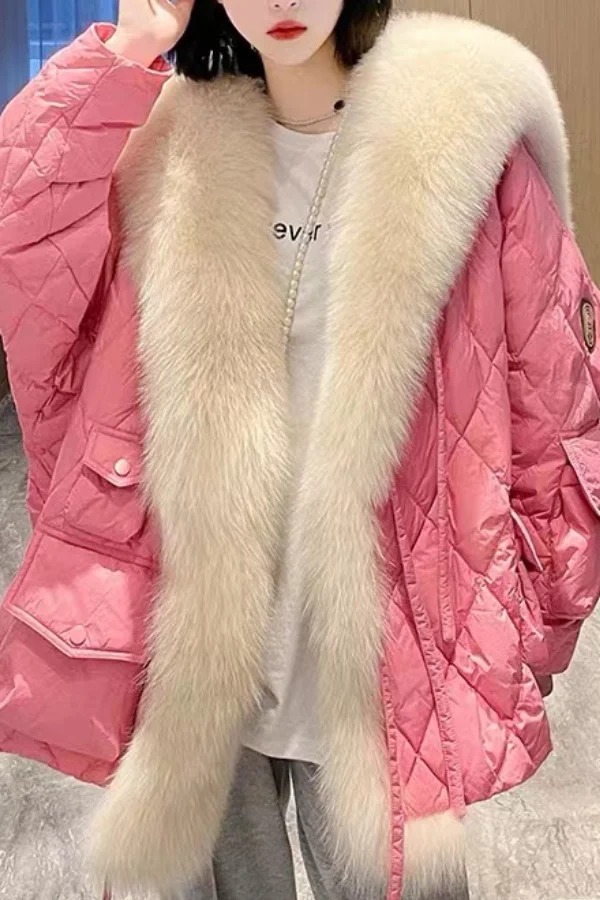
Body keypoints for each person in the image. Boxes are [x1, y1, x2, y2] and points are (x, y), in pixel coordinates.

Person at [0, 1, 599, 898]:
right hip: (195, 656)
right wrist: (134, 45)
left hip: (387, 662)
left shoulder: (460, 144)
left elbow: (556, 407)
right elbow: (28, 247)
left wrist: (535, 623)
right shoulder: (164, 148)